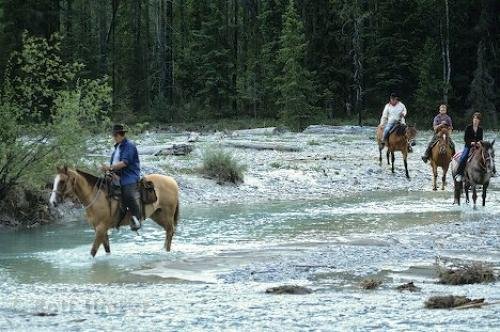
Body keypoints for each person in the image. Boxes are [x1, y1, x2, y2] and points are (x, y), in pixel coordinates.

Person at [101, 124, 142, 231]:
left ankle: (137, 219)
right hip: (116, 174)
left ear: (120, 135)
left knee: (128, 193)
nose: (113, 138)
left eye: (114, 135)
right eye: (113, 136)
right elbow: (115, 164)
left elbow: (125, 163)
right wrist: (108, 170)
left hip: (129, 174)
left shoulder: (129, 146)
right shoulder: (117, 147)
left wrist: (110, 167)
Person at [455, 112, 483, 182]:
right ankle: (459, 174)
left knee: (485, 156)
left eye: (477, 119)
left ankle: (486, 173)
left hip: (477, 146)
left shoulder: (480, 129)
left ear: (479, 121)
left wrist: (479, 143)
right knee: (464, 157)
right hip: (468, 146)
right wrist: (471, 142)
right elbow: (465, 139)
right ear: (473, 119)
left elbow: (481, 139)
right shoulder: (468, 127)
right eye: (475, 118)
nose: (476, 120)